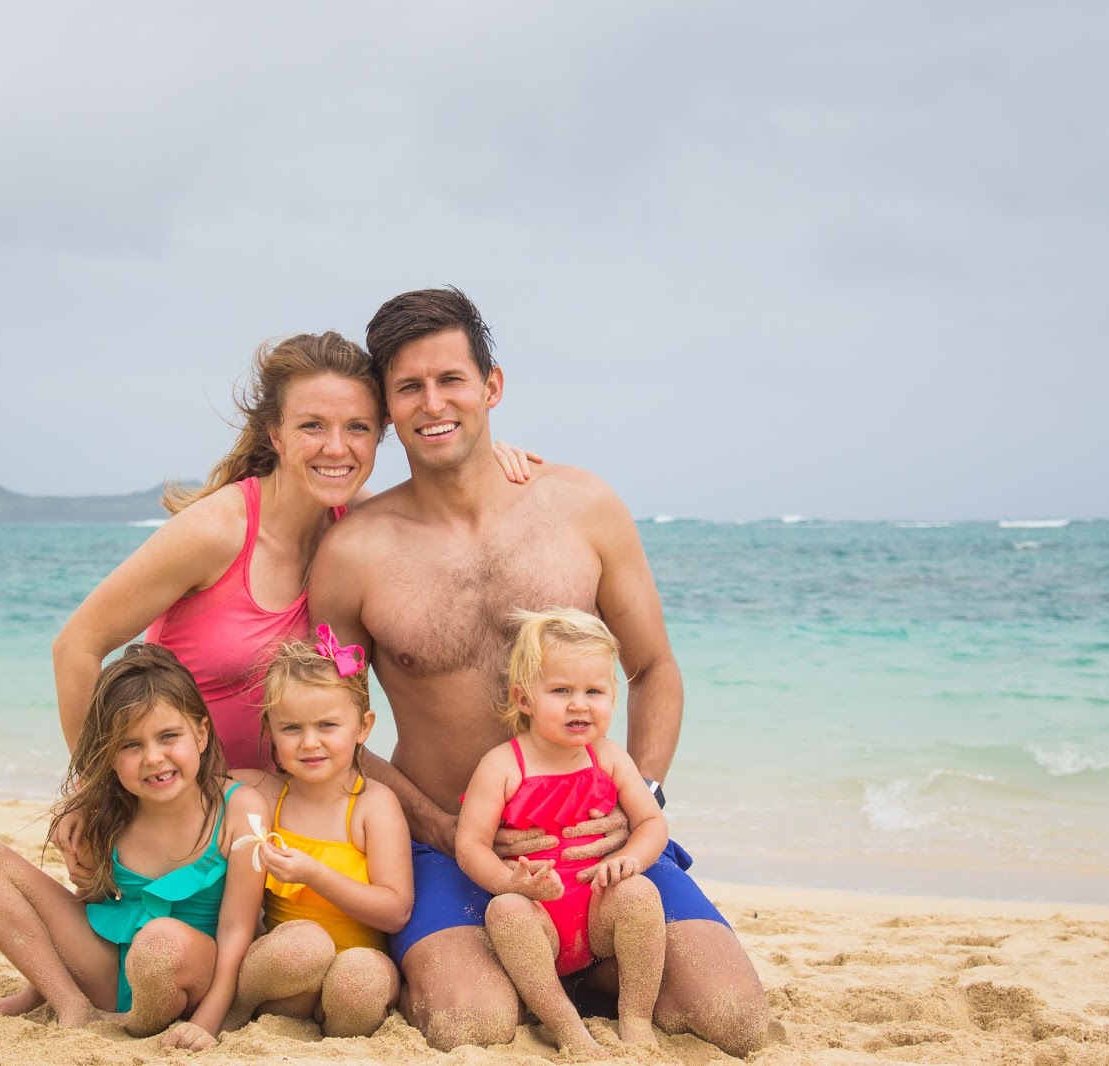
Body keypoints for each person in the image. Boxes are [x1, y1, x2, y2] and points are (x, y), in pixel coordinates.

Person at [307, 286, 767, 1055]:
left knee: (733, 1018)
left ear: (492, 385)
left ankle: (574, 968)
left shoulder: (583, 507)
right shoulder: (353, 552)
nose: (433, 403)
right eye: (409, 387)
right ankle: (487, 972)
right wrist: (444, 830)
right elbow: (333, 730)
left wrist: (641, 801)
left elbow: (654, 668)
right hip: (448, 848)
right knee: (474, 1026)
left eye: (451, 379)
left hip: (595, 843)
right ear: (387, 410)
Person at [49, 331, 532, 879]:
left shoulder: (360, 530)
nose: (337, 448)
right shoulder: (216, 532)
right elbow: (76, 646)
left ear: (381, 434)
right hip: (180, 823)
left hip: (290, 829)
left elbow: (445, 511)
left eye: (358, 427)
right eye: (312, 426)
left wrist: (488, 460)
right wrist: (94, 794)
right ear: (275, 434)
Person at [0, 644, 267, 1050]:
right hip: (112, 973)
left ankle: (138, 1021)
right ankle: (70, 1006)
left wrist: (207, 1023)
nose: (153, 758)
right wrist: (38, 989)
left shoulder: (240, 809)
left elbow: (237, 930)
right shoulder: (107, 813)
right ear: (109, 755)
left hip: (190, 976)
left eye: (168, 736)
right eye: (130, 745)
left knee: (159, 939)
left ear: (201, 733)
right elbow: (93, 907)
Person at [455, 608, 667, 1058]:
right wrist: (510, 883)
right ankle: (565, 1025)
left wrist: (628, 858)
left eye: (595, 691)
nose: (579, 704)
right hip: (538, 920)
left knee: (640, 892)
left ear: (612, 698)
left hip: (598, 912)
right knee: (505, 911)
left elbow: (651, 823)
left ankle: (636, 1018)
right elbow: (470, 845)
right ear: (524, 699)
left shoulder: (609, 757)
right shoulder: (503, 765)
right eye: (561, 690)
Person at [224, 625, 413, 1037]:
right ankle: (238, 1009)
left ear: (363, 727)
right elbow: (188, 786)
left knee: (360, 979)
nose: (310, 743)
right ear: (270, 730)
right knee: (304, 946)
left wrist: (314, 875)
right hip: (289, 976)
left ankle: (339, 1038)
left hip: (357, 968)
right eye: (291, 728)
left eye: (327, 725)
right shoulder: (264, 793)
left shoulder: (373, 805)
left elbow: (395, 912)